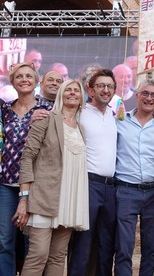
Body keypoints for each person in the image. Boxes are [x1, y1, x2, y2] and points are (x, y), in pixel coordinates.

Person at [12, 79, 89, 276]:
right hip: (45, 198)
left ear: (82, 98)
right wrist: (24, 198)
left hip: (69, 200)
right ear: (61, 94)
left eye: (76, 90)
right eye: (68, 90)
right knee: (38, 255)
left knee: (57, 257)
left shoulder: (81, 128)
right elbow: (28, 157)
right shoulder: (46, 118)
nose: (72, 93)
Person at [114, 79, 154, 276]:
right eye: (145, 93)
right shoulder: (119, 120)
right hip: (125, 190)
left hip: (153, 191)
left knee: (151, 249)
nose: (149, 98)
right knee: (124, 248)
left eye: (153, 95)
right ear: (137, 95)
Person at [0, 63, 52, 276]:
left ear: (37, 81)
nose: (24, 79)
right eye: (19, 76)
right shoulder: (4, 110)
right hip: (6, 183)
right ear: (12, 82)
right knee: (4, 240)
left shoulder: (47, 110)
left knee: (33, 243)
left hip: (35, 183)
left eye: (29, 76)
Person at [69, 69, 117, 276]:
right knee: (83, 242)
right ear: (90, 89)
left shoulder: (114, 116)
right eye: (101, 86)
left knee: (106, 244)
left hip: (112, 187)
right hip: (88, 184)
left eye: (110, 87)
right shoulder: (80, 113)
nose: (106, 90)